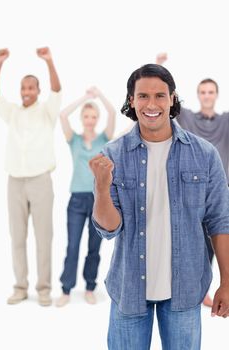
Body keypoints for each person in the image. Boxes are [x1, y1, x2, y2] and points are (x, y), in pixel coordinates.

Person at [89, 63, 229, 349]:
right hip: (129, 289)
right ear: (131, 100)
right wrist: (102, 188)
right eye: (142, 96)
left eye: (160, 96)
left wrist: (226, 281)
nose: (151, 104)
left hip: (186, 289)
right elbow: (109, 229)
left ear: (172, 98)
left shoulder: (204, 154)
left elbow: (220, 221)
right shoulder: (113, 155)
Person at [156, 52, 229, 307]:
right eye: (203, 92)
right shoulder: (188, 118)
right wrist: (160, 66)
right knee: (192, 242)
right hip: (191, 190)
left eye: (211, 92)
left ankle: (212, 287)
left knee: (217, 238)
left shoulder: (225, 121)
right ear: (199, 95)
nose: (207, 96)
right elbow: (165, 100)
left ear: (216, 95)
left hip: (220, 191)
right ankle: (192, 289)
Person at [0, 47, 61, 306]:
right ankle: (20, 287)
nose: (26, 92)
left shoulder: (47, 111)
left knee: (43, 237)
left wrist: (49, 60)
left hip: (40, 181)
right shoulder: (12, 113)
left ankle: (43, 288)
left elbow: (57, 89)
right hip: (15, 182)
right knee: (17, 236)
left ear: (38, 90)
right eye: (23, 88)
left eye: (31, 87)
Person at [56, 86, 116, 307]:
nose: (90, 120)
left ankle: (90, 286)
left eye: (93, 116)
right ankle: (66, 289)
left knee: (94, 246)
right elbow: (63, 115)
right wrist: (85, 98)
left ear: (97, 118)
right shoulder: (74, 139)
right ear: (82, 118)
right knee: (72, 246)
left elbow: (112, 114)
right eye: (86, 116)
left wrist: (99, 94)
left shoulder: (104, 138)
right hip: (76, 200)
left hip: (98, 200)